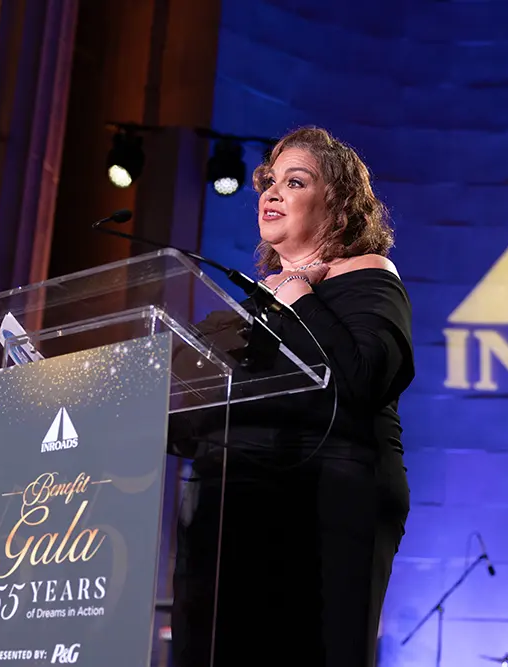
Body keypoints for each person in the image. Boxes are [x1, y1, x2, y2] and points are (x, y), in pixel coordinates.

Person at [170, 127, 414, 667]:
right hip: (232, 500)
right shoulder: (253, 305)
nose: (271, 193)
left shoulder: (371, 281)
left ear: (340, 207)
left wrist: (299, 294)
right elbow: (185, 394)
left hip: (330, 501)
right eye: (269, 182)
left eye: (295, 182)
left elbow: (362, 379)